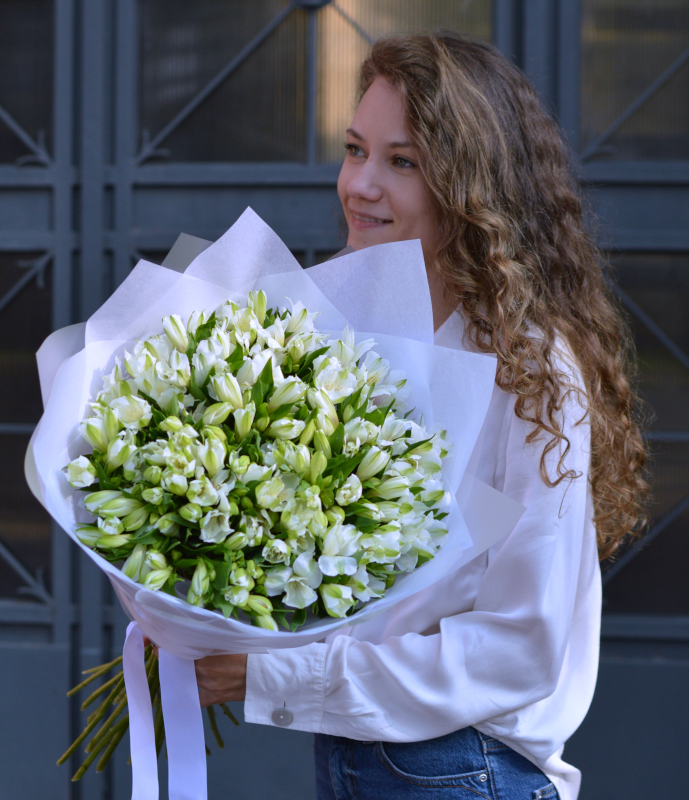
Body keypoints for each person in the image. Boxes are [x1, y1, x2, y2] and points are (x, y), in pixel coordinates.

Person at [186, 32, 649, 800]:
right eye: (355, 149)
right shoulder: (340, 334)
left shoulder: (532, 374)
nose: (360, 185)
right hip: (357, 756)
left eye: (402, 162)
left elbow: (518, 647)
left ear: (472, 189)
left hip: (469, 770)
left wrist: (279, 676)